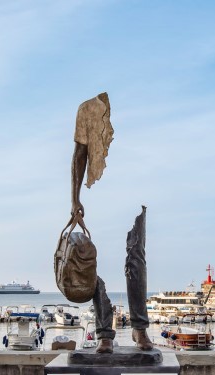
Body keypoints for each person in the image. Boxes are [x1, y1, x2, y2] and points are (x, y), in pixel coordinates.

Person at [70, 93, 153, 354]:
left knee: (136, 259)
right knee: (87, 262)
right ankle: (104, 331)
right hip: (94, 193)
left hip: (135, 195)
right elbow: (79, 154)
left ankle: (139, 328)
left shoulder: (152, 103)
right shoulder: (87, 108)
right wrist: (75, 199)